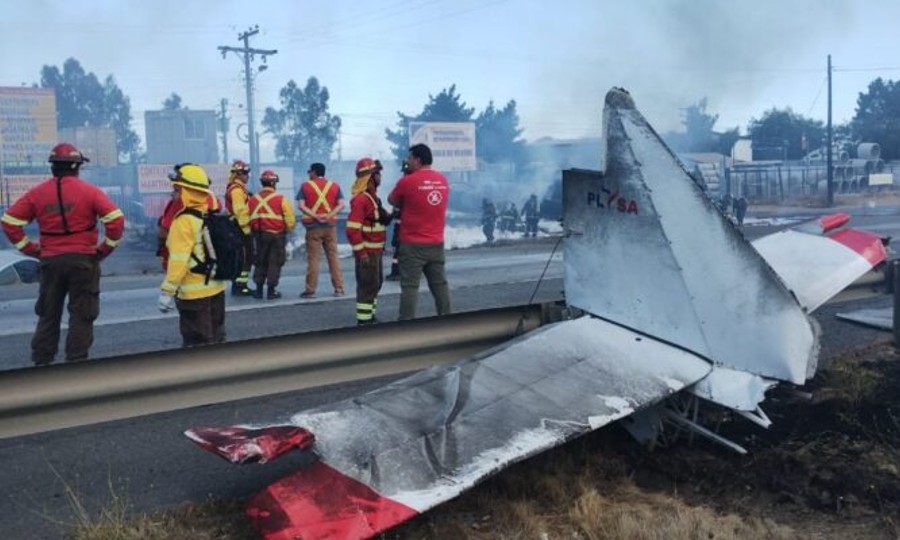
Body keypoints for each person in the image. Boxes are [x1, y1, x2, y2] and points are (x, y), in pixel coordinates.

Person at [1, 143, 125, 366]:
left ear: (53, 167)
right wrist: (104, 249)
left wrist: (31, 249)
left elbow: (10, 222)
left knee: (48, 314)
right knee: (82, 314)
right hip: (84, 261)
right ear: (76, 167)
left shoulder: (37, 194)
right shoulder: (90, 191)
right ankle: (76, 365)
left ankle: (42, 362)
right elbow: (115, 220)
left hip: (50, 262)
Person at [158, 164, 227, 347]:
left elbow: (179, 261)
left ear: (187, 191)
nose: (173, 193)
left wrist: (167, 291)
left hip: (194, 296)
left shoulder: (183, 221)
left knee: (196, 346)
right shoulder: (209, 215)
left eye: (177, 188)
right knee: (218, 339)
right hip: (217, 289)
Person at [387, 143, 451, 320]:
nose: (407, 161)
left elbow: (392, 200)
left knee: (410, 287)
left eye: (409, 158)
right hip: (437, 243)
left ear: (417, 160)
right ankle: (447, 319)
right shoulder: (443, 180)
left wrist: (406, 179)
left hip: (412, 244)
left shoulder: (408, 181)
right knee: (440, 284)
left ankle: (406, 326)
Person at [346, 157, 392, 324]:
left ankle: (370, 317)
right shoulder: (362, 200)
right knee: (367, 286)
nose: (380, 177)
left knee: (375, 283)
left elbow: (379, 218)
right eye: (377, 173)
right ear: (370, 177)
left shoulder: (373, 198)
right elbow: (352, 229)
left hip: (376, 251)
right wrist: (361, 252)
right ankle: (364, 322)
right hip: (367, 251)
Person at [156, 163, 221, 271]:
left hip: (185, 262)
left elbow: (163, 232)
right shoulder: (213, 199)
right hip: (212, 259)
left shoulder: (180, 203)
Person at [296, 162, 345, 298]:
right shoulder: (334, 186)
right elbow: (341, 204)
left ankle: (310, 290)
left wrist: (316, 216)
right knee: (333, 257)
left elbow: (301, 205)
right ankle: (339, 288)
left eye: (309, 172)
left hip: (313, 228)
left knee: (314, 259)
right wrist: (328, 216)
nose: (309, 174)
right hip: (330, 227)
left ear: (314, 172)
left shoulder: (305, 186)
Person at [248, 170, 296, 300]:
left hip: (258, 236)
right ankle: (271, 291)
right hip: (276, 236)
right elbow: (290, 219)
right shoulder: (281, 199)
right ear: (274, 183)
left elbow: (247, 217)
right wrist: (290, 230)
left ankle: (258, 291)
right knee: (274, 262)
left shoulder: (252, 200)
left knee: (260, 261)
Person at [225, 159, 254, 296]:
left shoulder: (238, 188)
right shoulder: (236, 190)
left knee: (242, 258)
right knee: (244, 257)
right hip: (239, 228)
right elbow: (240, 211)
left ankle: (240, 285)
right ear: (239, 174)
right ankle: (240, 286)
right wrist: (247, 230)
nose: (247, 176)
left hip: (236, 227)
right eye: (245, 173)